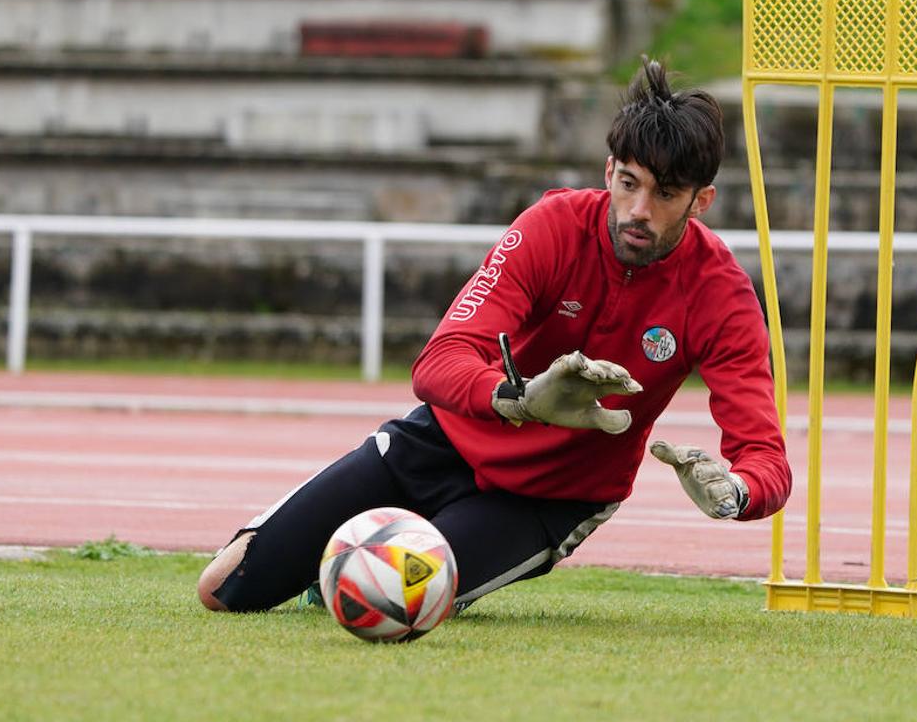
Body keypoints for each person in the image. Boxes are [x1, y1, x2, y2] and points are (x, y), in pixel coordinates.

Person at [197, 58, 792, 614]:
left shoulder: (722, 295)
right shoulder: (552, 226)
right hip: (442, 444)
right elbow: (439, 362)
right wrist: (518, 398)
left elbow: (766, 457)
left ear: (701, 201)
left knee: (387, 598)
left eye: (665, 195)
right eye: (630, 183)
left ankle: (350, 572)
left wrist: (736, 493)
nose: (639, 210)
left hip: (548, 499)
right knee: (223, 590)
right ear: (609, 171)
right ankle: (335, 555)